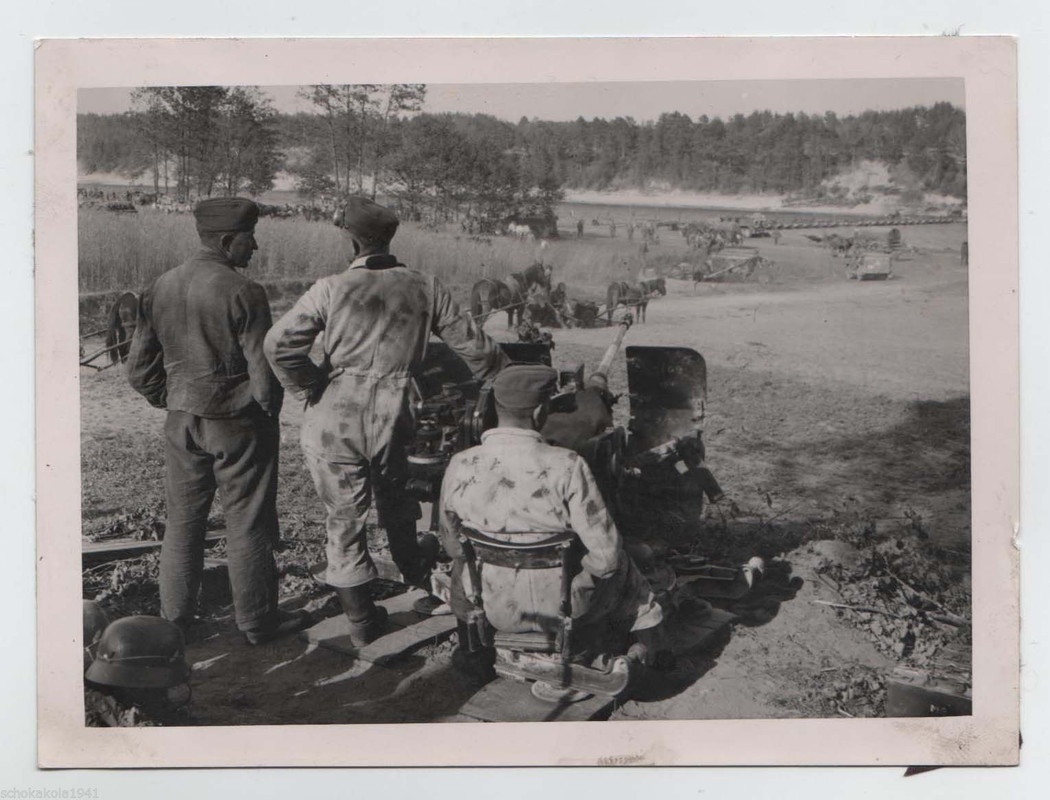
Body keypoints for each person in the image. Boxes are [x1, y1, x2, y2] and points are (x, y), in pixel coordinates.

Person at [264, 196, 507, 646]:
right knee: (397, 499)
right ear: (389, 238)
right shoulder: (425, 286)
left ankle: (360, 622)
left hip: (335, 416)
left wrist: (309, 385)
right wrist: (507, 385)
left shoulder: (331, 288)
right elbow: (477, 349)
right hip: (397, 414)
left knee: (344, 514)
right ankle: (415, 573)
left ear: (352, 240)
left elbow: (279, 344)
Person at [127, 197, 306, 646]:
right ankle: (257, 623)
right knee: (247, 523)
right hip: (236, 423)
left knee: (183, 521)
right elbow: (264, 378)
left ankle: (176, 622)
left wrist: (171, 399)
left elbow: (137, 369)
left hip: (181, 420)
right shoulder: (245, 292)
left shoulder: (159, 286)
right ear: (229, 240)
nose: (256, 247)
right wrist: (266, 415)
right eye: (250, 238)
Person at [438, 364, 666, 665]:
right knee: (623, 562)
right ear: (539, 412)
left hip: (494, 606)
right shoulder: (569, 465)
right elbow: (606, 558)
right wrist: (579, 579)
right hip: (563, 609)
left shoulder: (460, 463)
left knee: (459, 565)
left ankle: (472, 649)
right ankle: (649, 648)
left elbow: (452, 545)